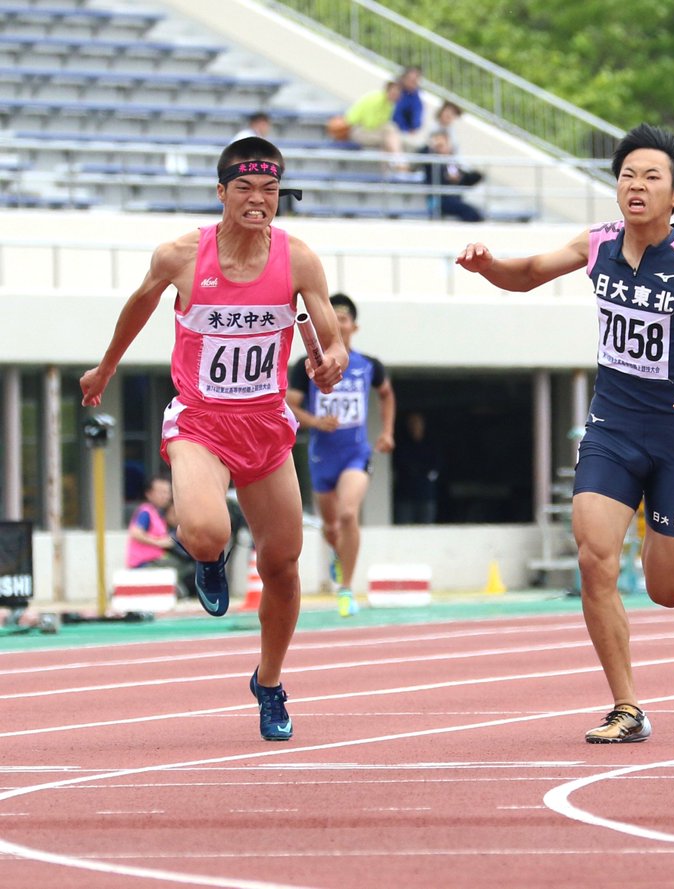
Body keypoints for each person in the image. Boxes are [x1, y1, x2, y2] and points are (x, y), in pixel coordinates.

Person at [457, 123, 674, 743]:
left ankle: (662, 521)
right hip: (611, 425)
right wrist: (488, 266)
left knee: (667, 590)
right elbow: (526, 274)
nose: (636, 185)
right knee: (595, 558)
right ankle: (626, 705)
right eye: (628, 174)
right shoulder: (598, 244)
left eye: (651, 176)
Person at [80, 136, 348, 741]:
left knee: (282, 564)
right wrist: (106, 367)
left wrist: (331, 359)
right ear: (222, 192)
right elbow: (139, 306)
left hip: (266, 426)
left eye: (271, 191)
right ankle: (208, 558)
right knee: (207, 531)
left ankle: (270, 683)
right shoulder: (180, 255)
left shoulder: (298, 259)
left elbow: (329, 338)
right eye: (246, 190)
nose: (259, 201)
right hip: (200, 419)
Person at [287, 292, 395, 617]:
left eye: (343, 319)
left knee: (349, 515)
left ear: (353, 326)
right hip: (322, 457)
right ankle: (338, 554)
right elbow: (290, 406)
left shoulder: (368, 365)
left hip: (355, 453)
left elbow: (386, 395)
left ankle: (346, 589)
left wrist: (387, 432)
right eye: (331, 320)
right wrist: (316, 421)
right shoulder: (305, 366)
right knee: (331, 527)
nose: (338, 325)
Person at [126, 474, 195, 599]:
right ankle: (176, 587)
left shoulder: (159, 514)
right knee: (183, 563)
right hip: (144, 563)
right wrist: (159, 542)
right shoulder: (145, 511)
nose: (165, 496)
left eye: (167, 492)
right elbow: (135, 532)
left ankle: (175, 586)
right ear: (149, 494)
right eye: (160, 492)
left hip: (156, 561)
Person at [422, 130, 484, 222]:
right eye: (439, 145)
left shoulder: (452, 163)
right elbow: (423, 153)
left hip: (454, 199)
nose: (442, 147)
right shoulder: (431, 161)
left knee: (477, 212)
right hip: (439, 200)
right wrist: (432, 146)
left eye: (444, 144)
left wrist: (460, 177)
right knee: (470, 212)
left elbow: (472, 178)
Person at [345, 79, 405, 170]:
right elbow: (370, 124)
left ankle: (395, 165)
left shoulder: (389, 104)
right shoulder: (376, 100)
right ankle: (400, 163)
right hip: (357, 129)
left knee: (390, 133)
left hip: (372, 131)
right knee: (389, 135)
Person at [394, 411, 440, 524]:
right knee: (404, 531)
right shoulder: (401, 445)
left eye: (417, 423)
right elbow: (400, 465)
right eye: (411, 423)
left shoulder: (432, 445)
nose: (414, 426)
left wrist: (427, 476)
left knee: (426, 532)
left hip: (426, 495)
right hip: (405, 496)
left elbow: (437, 466)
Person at [392, 65, 425, 151]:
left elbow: (417, 115)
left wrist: (413, 128)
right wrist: (405, 129)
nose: (413, 82)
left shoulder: (416, 96)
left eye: (415, 80)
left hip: (407, 131)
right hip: (394, 126)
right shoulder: (396, 91)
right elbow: (395, 112)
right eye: (410, 79)